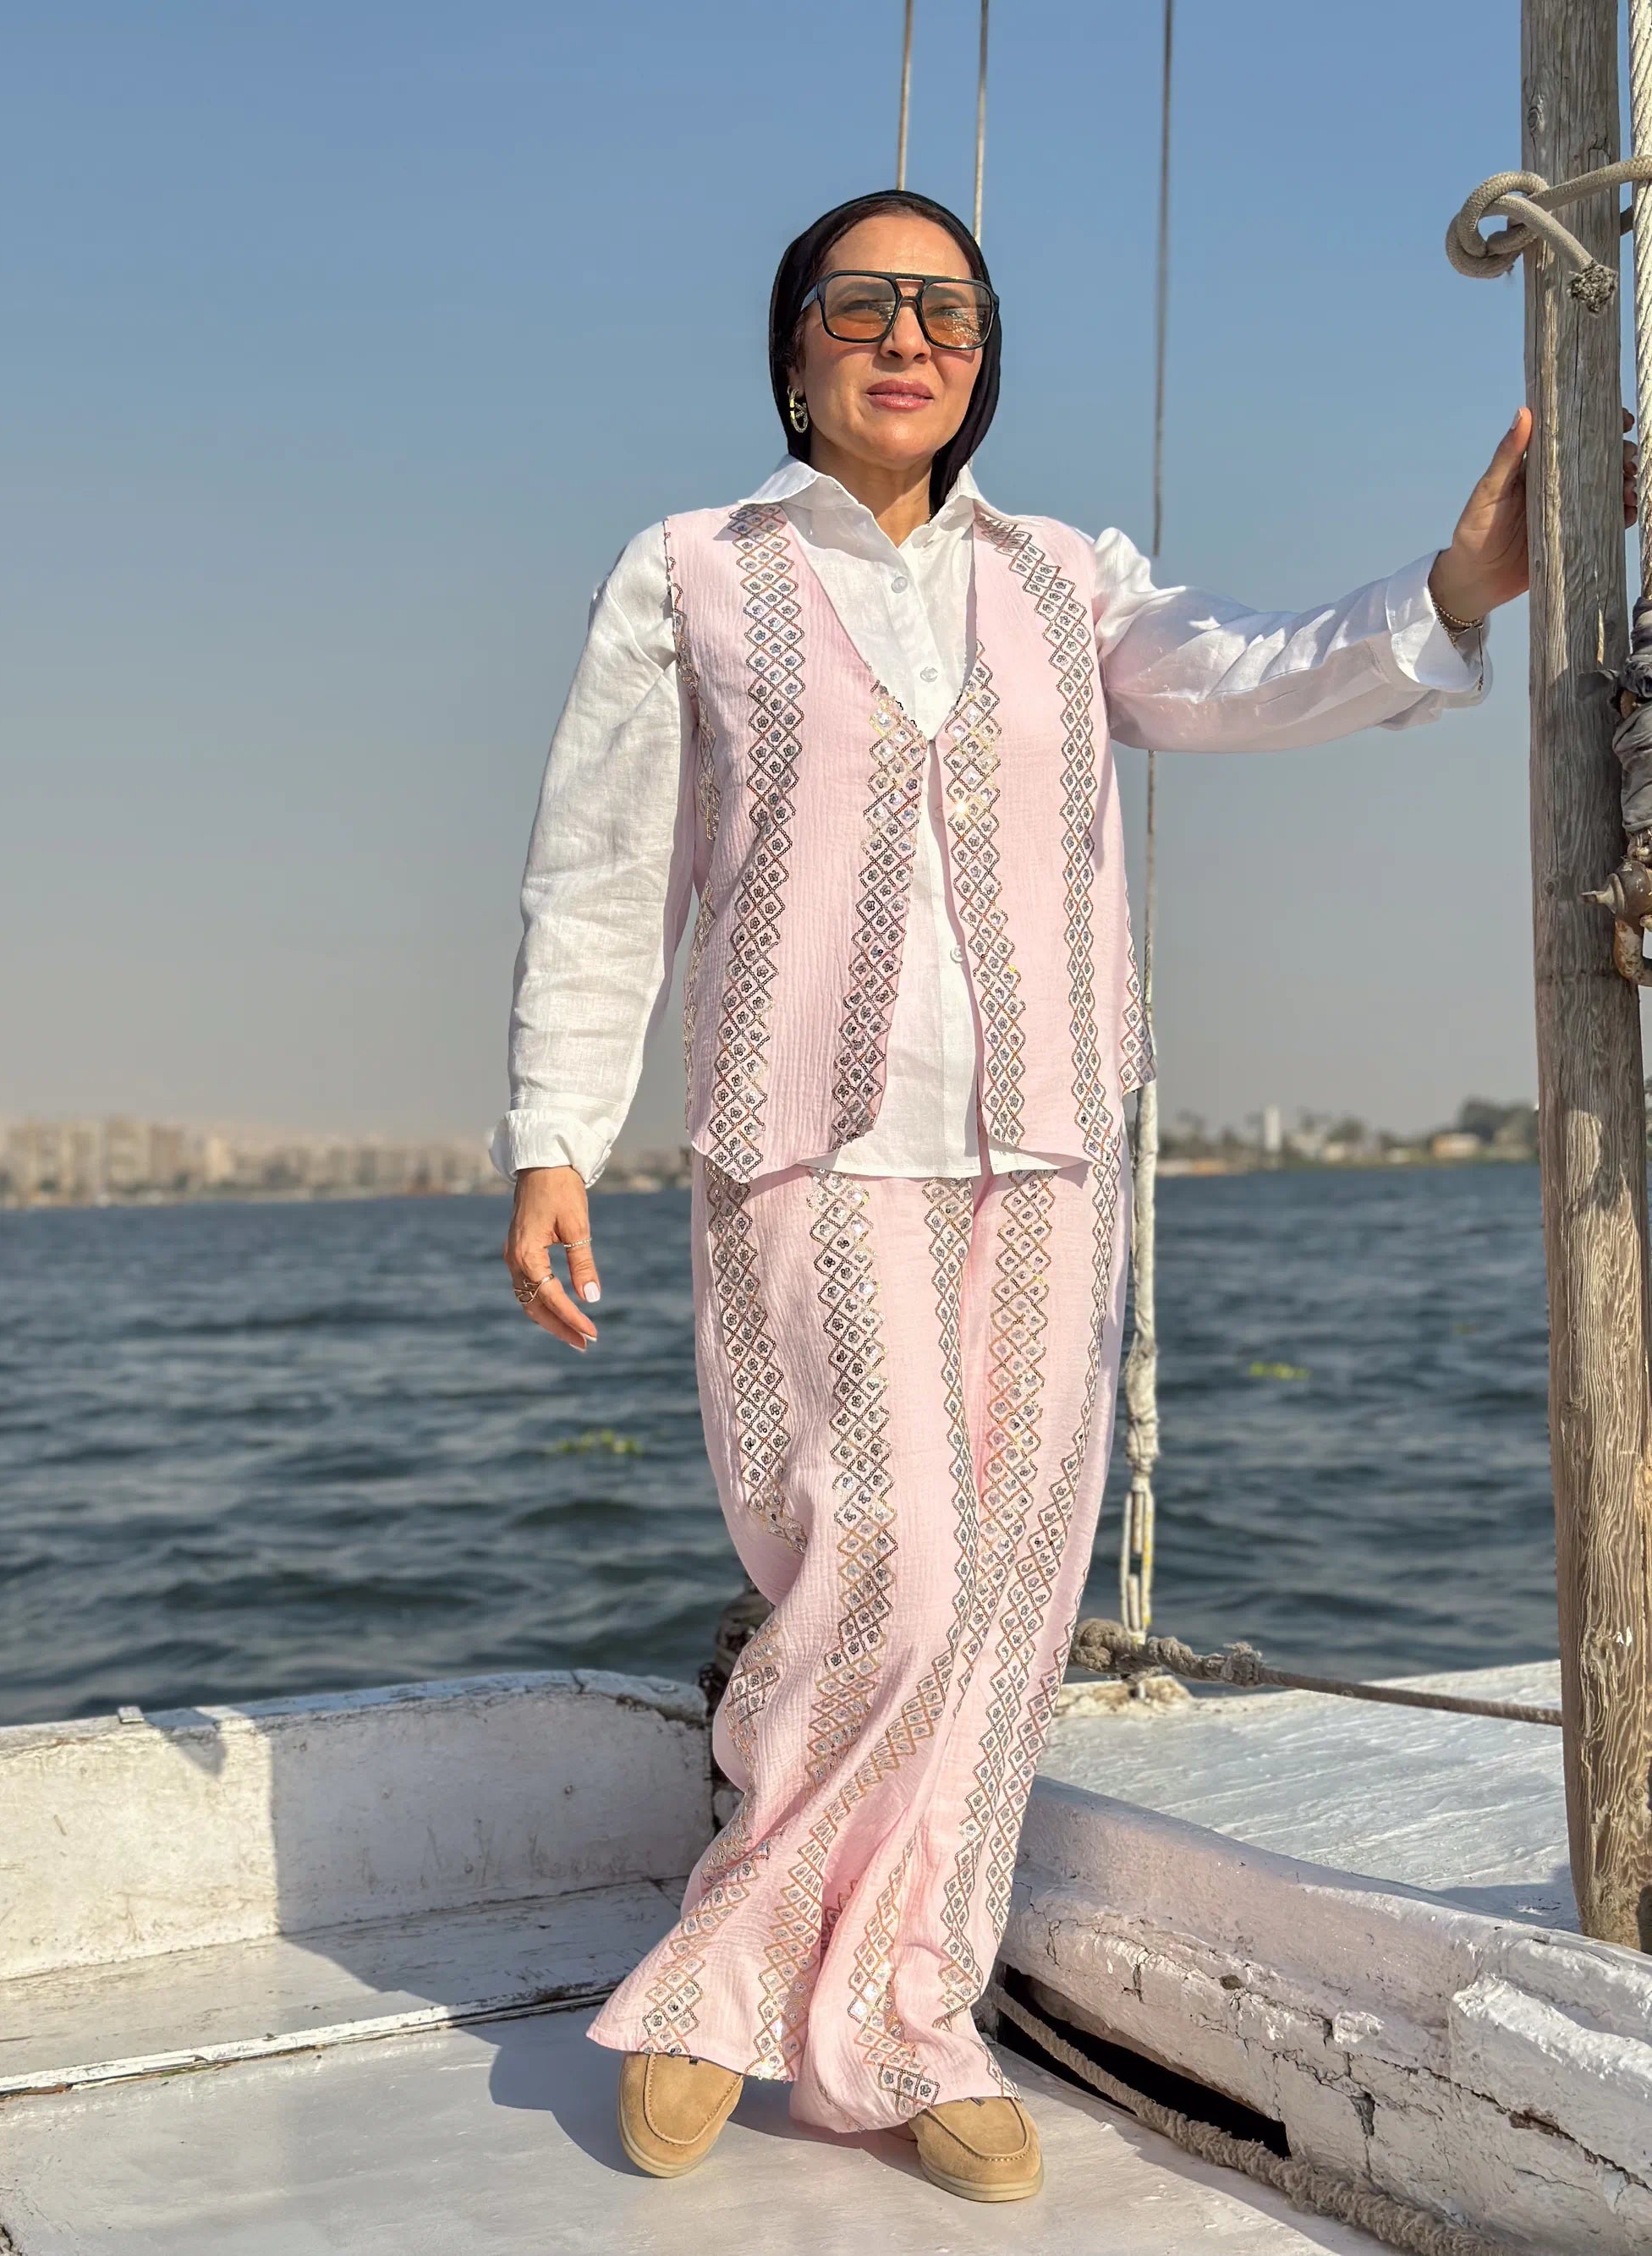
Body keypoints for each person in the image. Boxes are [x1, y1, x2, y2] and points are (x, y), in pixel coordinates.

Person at [493, 188, 1625, 2202]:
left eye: (945, 307)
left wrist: (1450, 589)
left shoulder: (1064, 580)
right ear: (794, 350)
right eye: (864, 304)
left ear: (983, 354)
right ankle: (727, 1962)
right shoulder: (690, 576)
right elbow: (600, 879)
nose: (907, 336)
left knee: (1012, 1593)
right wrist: (551, 1132)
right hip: (812, 1147)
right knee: (897, 1561)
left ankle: (911, 2004)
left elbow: (1249, 673)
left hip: (1046, 1150)